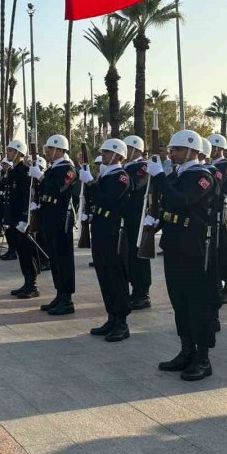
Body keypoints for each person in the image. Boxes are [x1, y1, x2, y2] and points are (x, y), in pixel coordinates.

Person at [146, 130, 219, 381]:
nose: (171, 153)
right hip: (175, 243)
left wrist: (160, 179)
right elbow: (169, 207)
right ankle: (186, 350)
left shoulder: (203, 176)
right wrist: (154, 221)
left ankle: (202, 357)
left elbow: (182, 202)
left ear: (192, 151)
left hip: (194, 247)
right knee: (179, 301)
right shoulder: (178, 174)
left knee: (197, 303)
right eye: (172, 149)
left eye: (176, 149)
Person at [81, 139, 132, 342]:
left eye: (108, 152)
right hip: (101, 229)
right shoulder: (106, 175)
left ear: (119, 156)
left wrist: (90, 182)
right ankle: (111, 317)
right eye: (103, 152)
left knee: (116, 277)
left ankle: (122, 322)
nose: (103, 155)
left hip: (114, 232)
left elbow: (105, 199)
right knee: (104, 275)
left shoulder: (121, 177)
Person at [34, 135, 78, 316]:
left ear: (60, 150)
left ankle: (67, 299)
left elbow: (56, 188)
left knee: (63, 258)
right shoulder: (54, 168)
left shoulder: (68, 169)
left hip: (61, 220)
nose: (48, 152)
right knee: (54, 258)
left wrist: (41, 178)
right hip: (50, 218)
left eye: (51, 149)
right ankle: (59, 294)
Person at [122, 135, 152, 310]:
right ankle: (134, 289)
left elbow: (135, 184)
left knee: (139, 256)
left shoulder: (143, 166)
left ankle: (142, 293)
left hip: (137, 217)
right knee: (129, 256)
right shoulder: (126, 167)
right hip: (126, 216)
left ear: (137, 149)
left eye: (127, 147)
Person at [207, 134, 227, 304]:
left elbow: (220, 182)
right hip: (210, 210)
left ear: (219, 148)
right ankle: (216, 282)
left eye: (212, 147)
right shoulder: (209, 165)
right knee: (213, 248)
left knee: (224, 247)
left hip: (220, 209)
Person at [4, 139, 35, 298]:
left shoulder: (24, 171)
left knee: (26, 252)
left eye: (10, 150)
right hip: (14, 218)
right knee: (21, 253)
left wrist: (25, 218)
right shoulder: (13, 170)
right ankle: (27, 282)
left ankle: (32, 285)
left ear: (18, 153)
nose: (7, 152)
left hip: (22, 219)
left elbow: (27, 197)